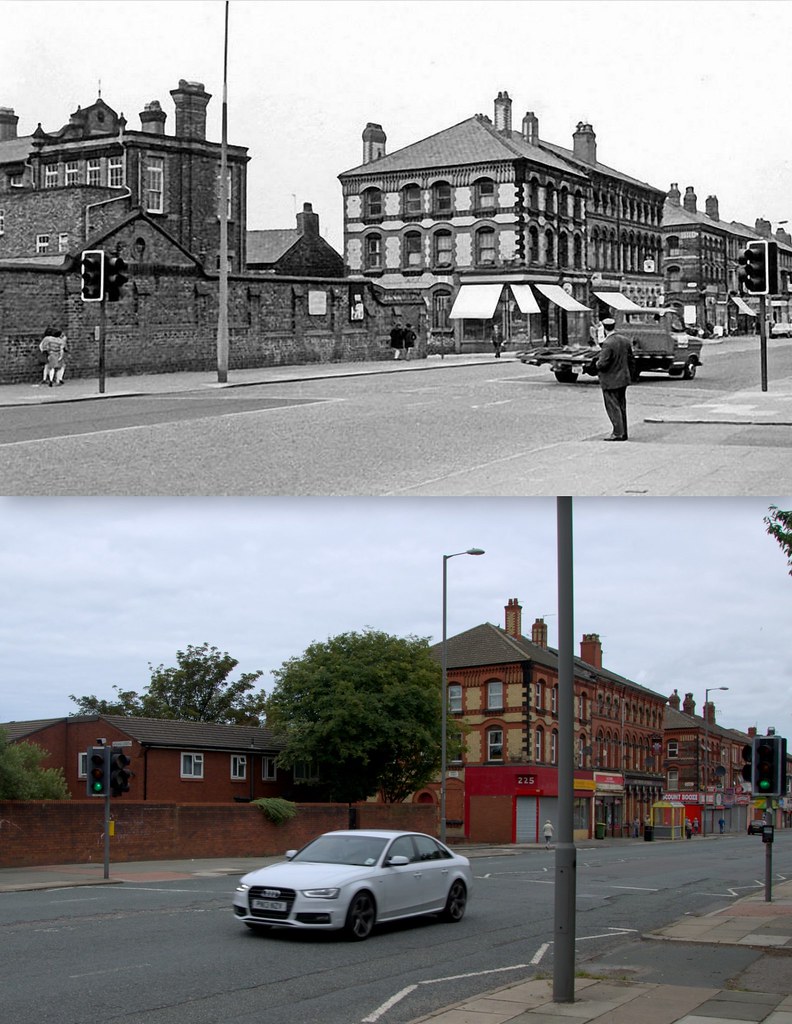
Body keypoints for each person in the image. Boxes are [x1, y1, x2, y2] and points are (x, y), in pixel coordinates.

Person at [595, 317, 635, 441]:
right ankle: (623, 433)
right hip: (623, 378)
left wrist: (596, 364)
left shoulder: (608, 343)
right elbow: (631, 359)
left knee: (613, 407)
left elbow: (603, 363)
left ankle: (617, 433)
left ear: (605, 329)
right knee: (621, 406)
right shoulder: (625, 340)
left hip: (610, 379)